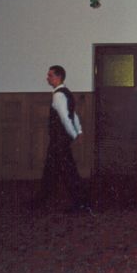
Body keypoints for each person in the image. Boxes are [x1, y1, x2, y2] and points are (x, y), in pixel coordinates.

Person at [33, 65, 89, 212]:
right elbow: (73, 115)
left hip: (59, 141)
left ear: (58, 77)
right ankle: (40, 201)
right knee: (53, 171)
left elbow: (66, 118)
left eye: (50, 75)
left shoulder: (58, 95)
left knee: (67, 172)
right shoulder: (67, 93)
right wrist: (79, 131)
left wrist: (75, 134)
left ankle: (80, 203)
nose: (47, 78)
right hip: (60, 141)